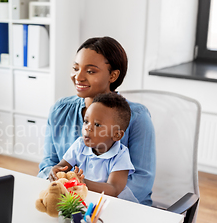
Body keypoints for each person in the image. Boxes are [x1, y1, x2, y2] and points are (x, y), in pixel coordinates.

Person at [38, 36, 155, 205]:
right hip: (66, 201)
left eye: (90, 71)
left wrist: (84, 196)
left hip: (116, 208)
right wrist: (57, 179)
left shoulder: (137, 117)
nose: (78, 77)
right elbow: (48, 165)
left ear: (113, 75)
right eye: (76, 68)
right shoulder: (59, 109)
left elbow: (141, 181)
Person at [50, 92, 135, 198]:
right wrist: (56, 170)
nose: (87, 128)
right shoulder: (80, 145)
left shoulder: (120, 155)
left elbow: (113, 189)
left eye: (97, 124)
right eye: (86, 121)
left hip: (112, 204)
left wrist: (83, 182)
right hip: (85, 199)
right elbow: (63, 166)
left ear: (117, 134)